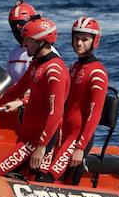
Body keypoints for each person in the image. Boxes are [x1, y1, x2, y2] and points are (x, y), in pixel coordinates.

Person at [0, 18, 68, 179]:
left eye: (27, 40)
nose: (24, 45)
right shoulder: (36, 63)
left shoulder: (54, 70)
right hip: (28, 136)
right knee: (11, 175)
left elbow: (56, 112)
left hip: (38, 140)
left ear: (41, 42)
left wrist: (41, 146)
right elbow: (18, 88)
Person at [44, 16, 109, 182]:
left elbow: (95, 114)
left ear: (94, 41)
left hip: (77, 137)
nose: (79, 43)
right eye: (76, 38)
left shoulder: (98, 73)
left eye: (85, 39)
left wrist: (80, 147)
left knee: (50, 177)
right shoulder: (74, 67)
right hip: (62, 132)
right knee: (42, 174)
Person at [5, 0, 40, 80]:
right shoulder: (13, 53)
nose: (19, 30)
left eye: (22, 25)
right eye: (14, 25)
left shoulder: (45, 53)